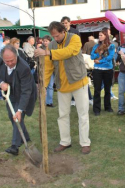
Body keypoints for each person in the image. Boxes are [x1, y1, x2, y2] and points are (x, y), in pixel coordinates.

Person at [34, 21, 91, 154]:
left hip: (78, 82)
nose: (55, 38)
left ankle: (85, 143)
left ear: (63, 31)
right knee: (63, 115)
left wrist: (49, 53)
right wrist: (43, 86)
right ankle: (65, 141)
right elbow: (48, 67)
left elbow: (70, 52)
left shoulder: (74, 38)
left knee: (82, 114)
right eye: (53, 36)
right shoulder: (52, 45)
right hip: (62, 85)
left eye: (57, 35)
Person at [0, 45, 37, 155]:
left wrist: (20, 110)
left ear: (16, 56)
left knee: (17, 117)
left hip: (24, 94)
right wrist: (1, 83)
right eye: (6, 61)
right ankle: (25, 137)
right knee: (11, 115)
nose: (9, 63)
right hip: (10, 94)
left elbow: (26, 91)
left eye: (12, 60)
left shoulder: (24, 68)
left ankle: (15, 146)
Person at [91, 29, 116, 116]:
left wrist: (100, 61)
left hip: (108, 70)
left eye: (101, 35)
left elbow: (110, 57)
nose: (99, 36)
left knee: (107, 89)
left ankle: (107, 107)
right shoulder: (96, 46)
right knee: (97, 90)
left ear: (106, 36)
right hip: (97, 70)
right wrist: (99, 53)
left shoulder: (111, 46)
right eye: (99, 35)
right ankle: (96, 109)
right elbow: (92, 56)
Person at [40, 35, 55, 107]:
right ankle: (43, 101)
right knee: (43, 86)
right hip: (43, 69)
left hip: (51, 69)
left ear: (50, 41)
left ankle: (49, 102)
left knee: (50, 86)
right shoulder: (40, 48)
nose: (45, 42)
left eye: (46, 41)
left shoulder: (53, 48)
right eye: (44, 41)